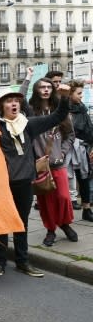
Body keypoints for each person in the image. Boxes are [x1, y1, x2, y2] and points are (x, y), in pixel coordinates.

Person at [0, 84, 71, 278]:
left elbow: (57, 117)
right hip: (2, 184)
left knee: (21, 223)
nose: (14, 104)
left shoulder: (28, 124)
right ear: (2, 106)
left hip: (25, 182)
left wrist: (65, 98)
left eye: (17, 100)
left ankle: (22, 262)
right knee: (2, 224)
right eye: (9, 101)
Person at [28, 78, 77, 247]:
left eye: (49, 87)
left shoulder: (60, 111)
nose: (46, 90)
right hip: (40, 165)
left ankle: (64, 223)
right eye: (42, 87)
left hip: (58, 163)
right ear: (36, 90)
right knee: (46, 201)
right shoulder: (31, 113)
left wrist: (62, 152)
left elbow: (70, 135)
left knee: (63, 197)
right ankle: (50, 230)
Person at [68, 80, 93, 221]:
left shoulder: (81, 107)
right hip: (70, 148)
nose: (81, 96)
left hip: (83, 147)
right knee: (68, 179)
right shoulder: (66, 109)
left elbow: (89, 127)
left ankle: (86, 209)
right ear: (70, 94)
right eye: (79, 93)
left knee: (84, 178)